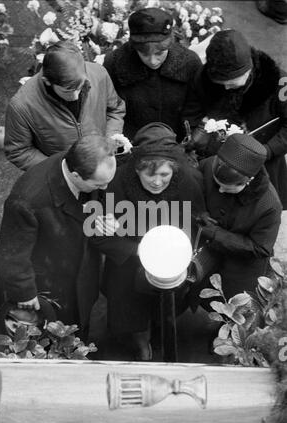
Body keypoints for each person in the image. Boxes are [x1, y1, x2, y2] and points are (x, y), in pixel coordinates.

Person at [91, 122, 206, 360]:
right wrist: (141, 250)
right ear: (136, 170)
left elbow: (197, 224)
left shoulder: (189, 181)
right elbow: (100, 236)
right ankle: (141, 343)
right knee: (130, 310)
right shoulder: (116, 183)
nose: (156, 182)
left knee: (166, 307)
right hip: (129, 258)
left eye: (164, 174)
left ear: (174, 169)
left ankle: (159, 333)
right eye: (149, 174)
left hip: (171, 260)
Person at [0, 135, 117, 342]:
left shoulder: (79, 162)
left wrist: (101, 216)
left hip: (78, 272)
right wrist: (24, 293)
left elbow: (95, 197)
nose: (104, 189)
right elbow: (12, 255)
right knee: (46, 340)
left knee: (77, 328)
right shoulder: (27, 200)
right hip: (44, 286)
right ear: (76, 176)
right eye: (99, 184)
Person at [183, 29, 287, 209]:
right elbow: (191, 111)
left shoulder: (281, 83)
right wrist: (197, 131)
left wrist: (266, 151)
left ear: (250, 68)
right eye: (220, 82)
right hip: (215, 157)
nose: (226, 88)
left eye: (232, 81)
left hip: (263, 157)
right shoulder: (203, 78)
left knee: (254, 209)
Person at [4, 40, 125, 171]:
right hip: (62, 179)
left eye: (81, 87)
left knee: (109, 192)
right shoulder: (22, 106)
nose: (76, 96)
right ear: (48, 81)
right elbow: (18, 151)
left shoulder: (99, 74)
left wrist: (110, 140)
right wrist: (59, 169)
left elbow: (115, 109)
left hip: (102, 166)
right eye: (68, 91)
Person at [191, 133, 282, 305]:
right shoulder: (208, 164)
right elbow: (193, 191)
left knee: (232, 309)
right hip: (207, 256)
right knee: (200, 295)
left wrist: (216, 234)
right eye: (217, 184)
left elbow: (260, 248)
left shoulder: (269, 205)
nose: (220, 191)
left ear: (248, 181)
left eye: (228, 188)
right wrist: (199, 212)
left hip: (240, 268)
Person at [103, 7, 202, 142]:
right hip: (131, 143)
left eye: (159, 53)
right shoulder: (114, 64)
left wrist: (190, 139)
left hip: (176, 143)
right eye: (144, 54)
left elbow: (195, 107)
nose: (153, 61)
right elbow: (110, 108)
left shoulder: (190, 63)